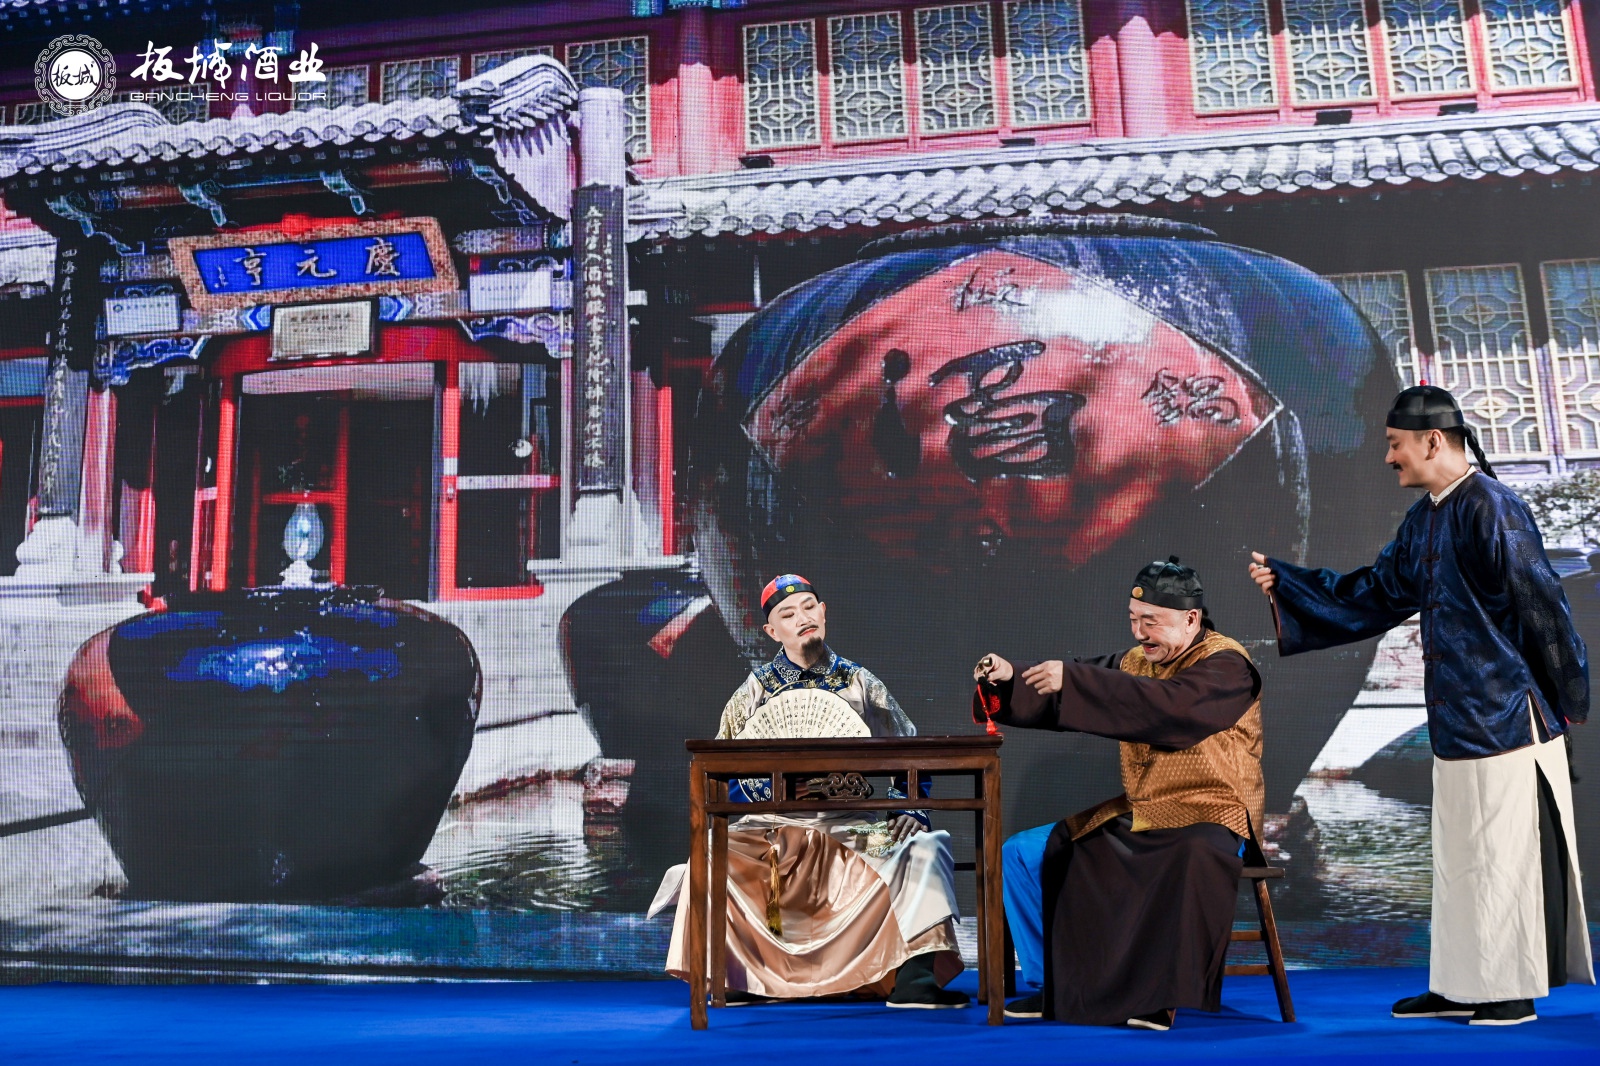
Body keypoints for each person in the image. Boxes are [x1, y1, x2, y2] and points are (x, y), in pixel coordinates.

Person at [1248, 384, 1592, 1027]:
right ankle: (1460, 983)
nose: (1388, 458)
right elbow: (1378, 593)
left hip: (1505, 716)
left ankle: (1510, 991)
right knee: (1458, 860)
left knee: (1502, 859)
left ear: (1432, 440)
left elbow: (1544, 607)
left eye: (1394, 444)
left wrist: (1569, 699)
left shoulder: (1493, 507)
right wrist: (1292, 584)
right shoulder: (1426, 516)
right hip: (1457, 716)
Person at [651, 574, 967, 1008]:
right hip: (772, 827)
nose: (801, 618)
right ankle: (737, 975)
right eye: (788, 614)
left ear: (823, 612)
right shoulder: (754, 693)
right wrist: (775, 790)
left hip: (850, 826)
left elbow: (908, 752)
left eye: (808, 607)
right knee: (711, 851)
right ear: (771, 631)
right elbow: (721, 772)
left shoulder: (861, 684)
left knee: (923, 847)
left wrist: (908, 808)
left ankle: (915, 978)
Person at [973, 558, 1264, 1031]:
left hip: (1212, 812)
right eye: (1133, 619)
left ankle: (1156, 995)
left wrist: (1077, 681)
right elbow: (1070, 688)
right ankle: (1054, 984)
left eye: (1151, 621)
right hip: (1144, 810)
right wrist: (1010, 676)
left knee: (1188, 856)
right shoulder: (1135, 663)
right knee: (1022, 853)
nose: (1139, 633)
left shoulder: (1228, 666)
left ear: (1191, 618)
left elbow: (1172, 708)